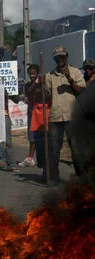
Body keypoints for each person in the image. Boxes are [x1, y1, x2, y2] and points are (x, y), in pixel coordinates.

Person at [37, 46, 87, 182]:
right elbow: (46, 95)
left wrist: (69, 78)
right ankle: (54, 177)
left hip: (72, 116)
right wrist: (41, 85)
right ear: (54, 59)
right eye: (57, 57)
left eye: (62, 57)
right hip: (56, 117)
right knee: (54, 150)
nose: (59, 59)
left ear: (66, 57)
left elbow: (81, 91)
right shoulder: (50, 76)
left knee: (76, 149)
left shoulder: (75, 72)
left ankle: (81, 177)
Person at [19, 65, 40, 168]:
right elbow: (27, 96)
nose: (32, 75)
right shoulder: (27, 85)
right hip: (31, 111)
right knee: (31, 135)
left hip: (40, 112)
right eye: (30, 74)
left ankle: (35, 157)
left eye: (34, 73)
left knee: (39, 135)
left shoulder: (41, 83)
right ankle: (30, 157)